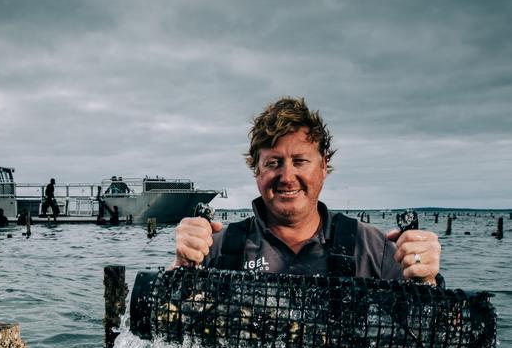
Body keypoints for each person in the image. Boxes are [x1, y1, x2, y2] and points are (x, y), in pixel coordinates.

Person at [172, 97, 441, 282]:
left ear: (324, 166)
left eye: (300, 161)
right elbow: (166, 322)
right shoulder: (217, 250)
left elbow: (437, 332)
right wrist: (182, 266)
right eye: (274, 163)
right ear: (257, 170)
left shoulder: (374, 249)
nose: (287, 177)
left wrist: (426, 277)